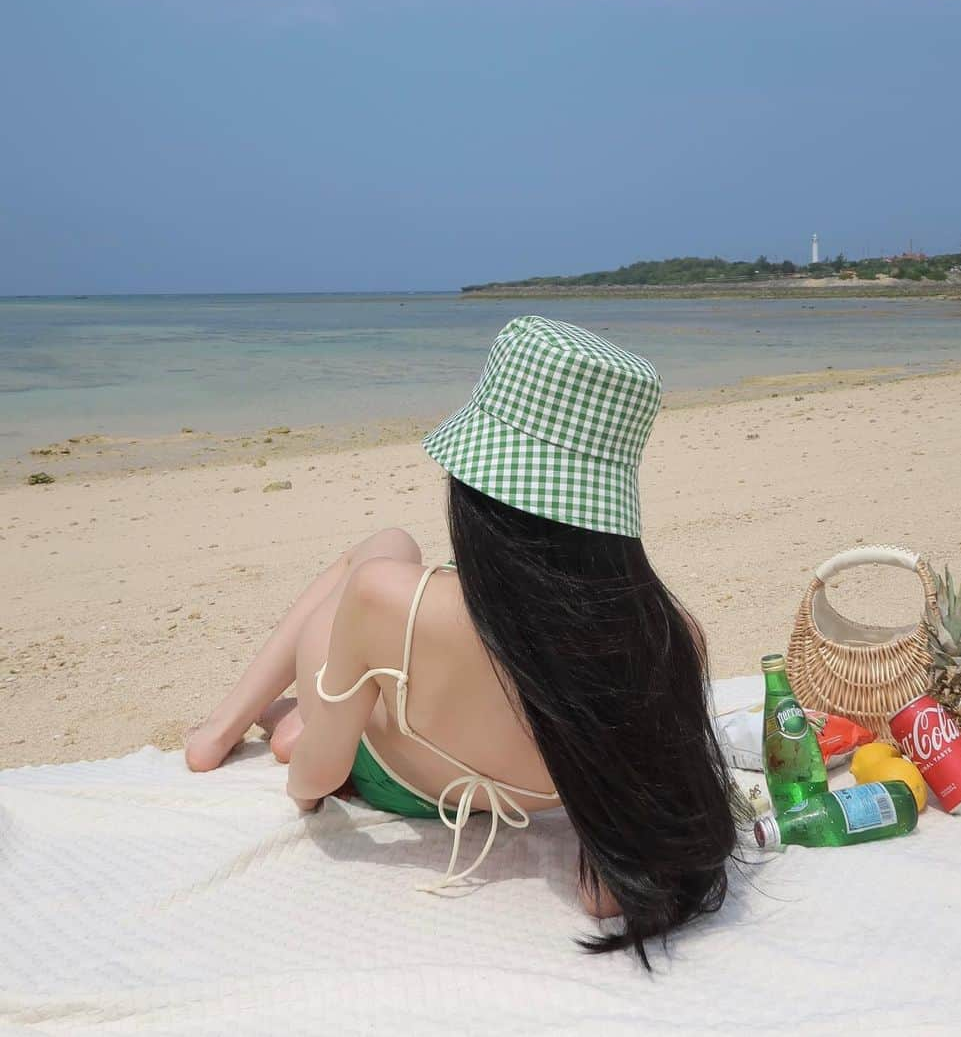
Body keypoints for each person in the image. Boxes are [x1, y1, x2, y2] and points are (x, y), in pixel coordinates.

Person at [186, 315, 738, 963]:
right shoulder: (670, 639)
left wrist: (305, 787)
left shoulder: (394, 598)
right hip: (520, 794)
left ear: (477, 486)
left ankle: (223, 732)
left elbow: (322, 777)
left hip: (397, 779)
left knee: (385, 548)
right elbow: (608, 889)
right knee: (353, 673)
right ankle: (293, 722)